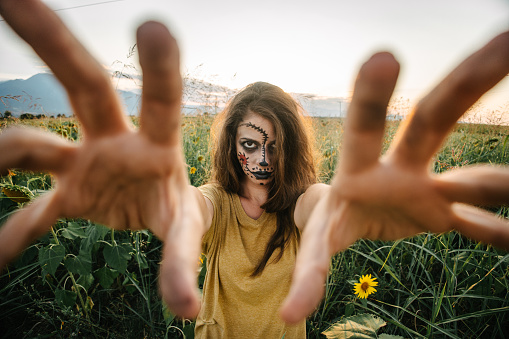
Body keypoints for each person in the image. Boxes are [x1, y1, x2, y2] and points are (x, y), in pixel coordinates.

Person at [0, 0, 508, 337]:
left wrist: (345, 208)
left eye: (275, 147)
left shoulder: (302, 203)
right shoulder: (217, 202)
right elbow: (192, 209)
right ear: (230, 146)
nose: (262, 161)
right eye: (249, 144)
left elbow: (321, 205)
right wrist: (173, 206)